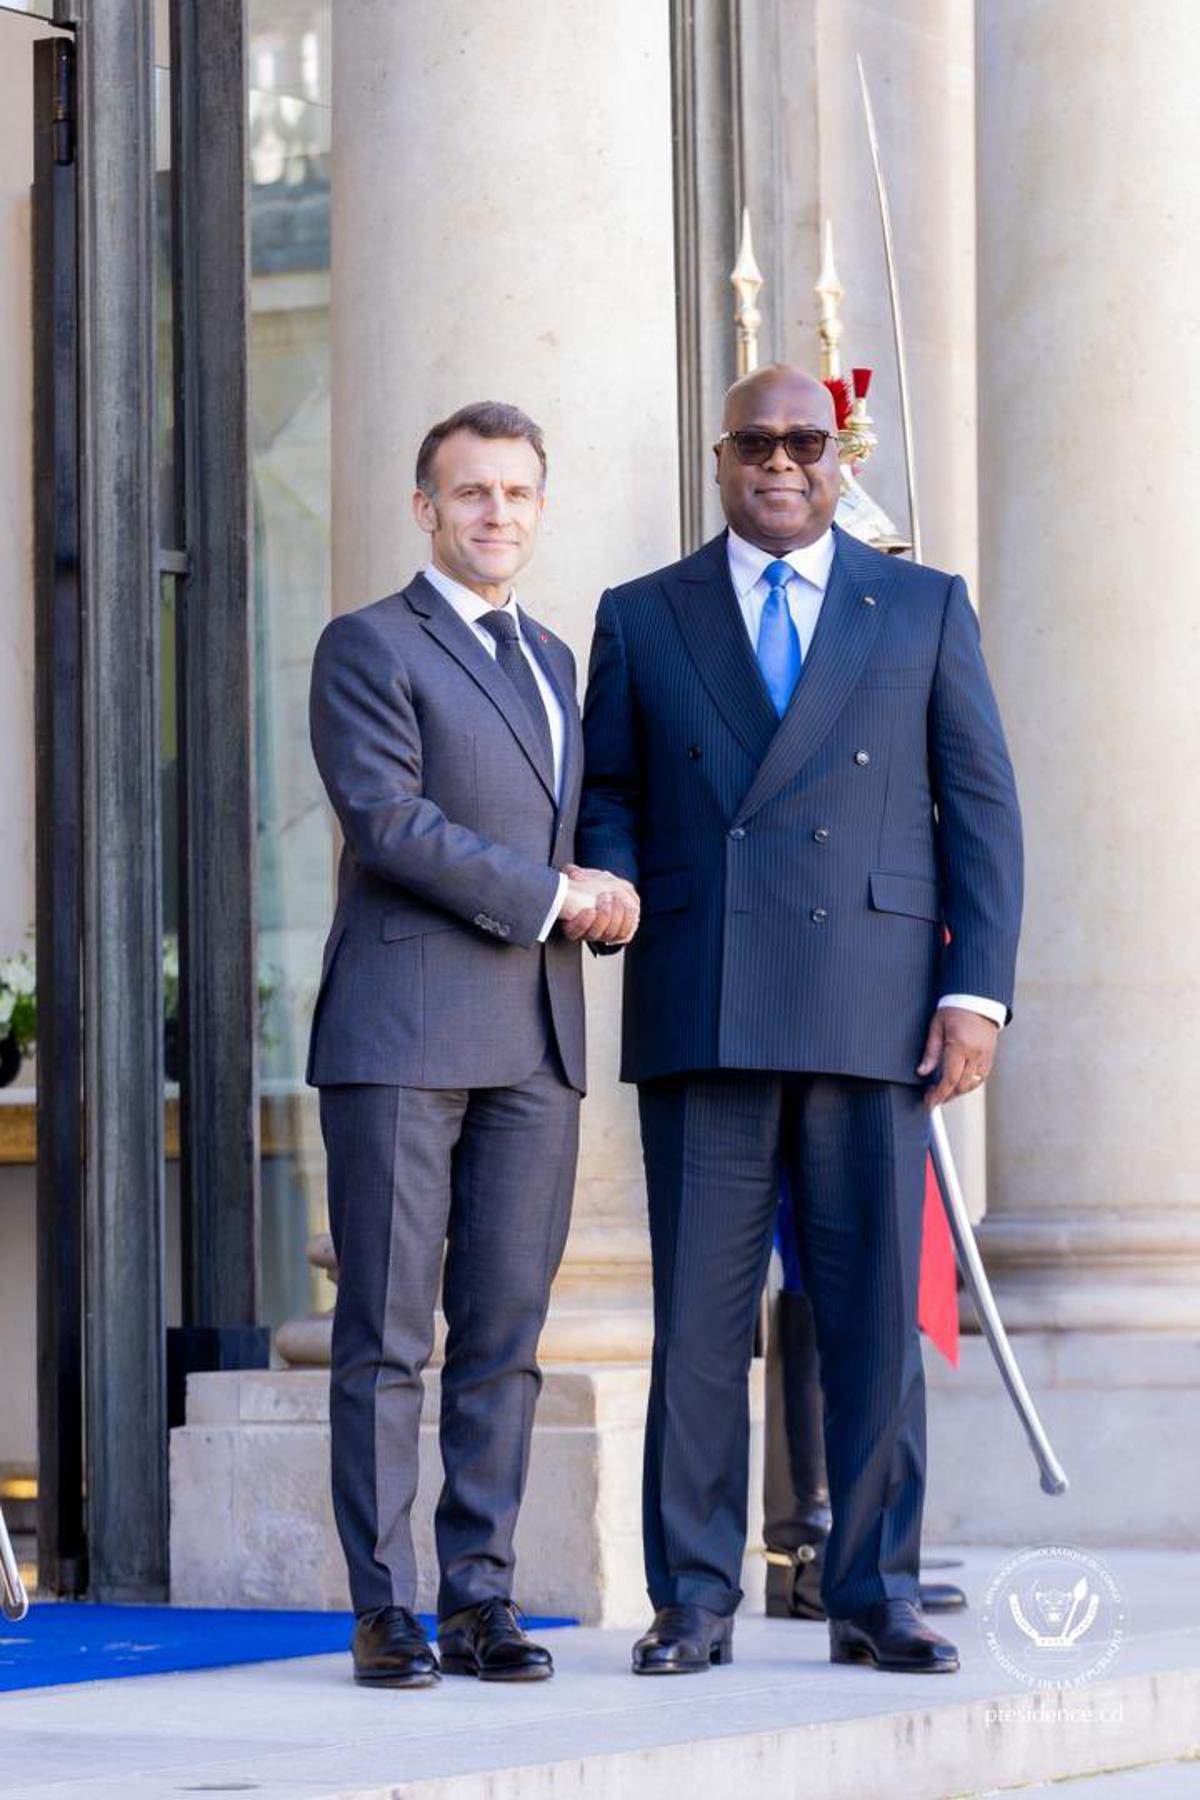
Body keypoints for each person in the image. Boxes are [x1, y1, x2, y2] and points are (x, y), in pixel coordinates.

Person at [578, 364, 1022, 1675]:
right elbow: (606, 790)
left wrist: (976, 991)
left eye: (805, 444)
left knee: (871, 1315)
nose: (783, 464)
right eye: (757, 443)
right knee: (701, 1322)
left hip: (873, 1006)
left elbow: (982, 810)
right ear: (718, 460)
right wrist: (617, 883)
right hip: (703, 996)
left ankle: (874, 1593)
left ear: (838, 458)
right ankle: (696, 1599)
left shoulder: (923, 606)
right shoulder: (643, 615)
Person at [308, 401, 638, 1689]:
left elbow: (570, 828)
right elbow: (388, 823)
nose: (496, 514)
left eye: (516, 494)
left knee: (505, 1335)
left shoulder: (556, 660)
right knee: (388, 1336)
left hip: (537, 1039)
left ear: (538, 509)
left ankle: (480, 1600)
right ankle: (384, 1604)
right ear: (425, 509)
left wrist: (604, 892)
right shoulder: (368, 644)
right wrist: (561, 896)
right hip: (401, 1032)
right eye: (471, 494)